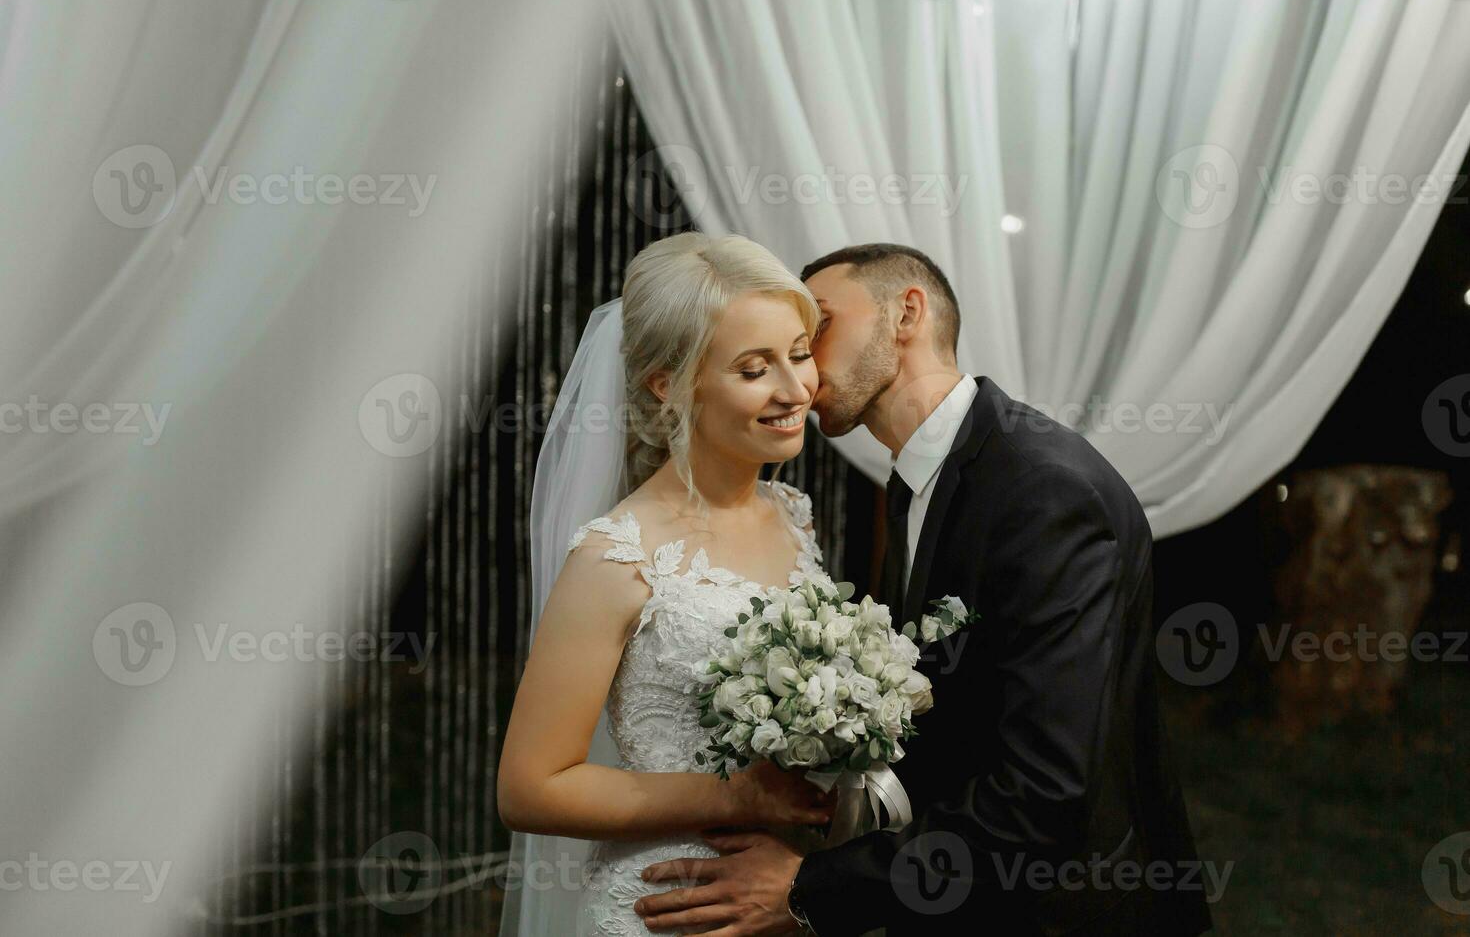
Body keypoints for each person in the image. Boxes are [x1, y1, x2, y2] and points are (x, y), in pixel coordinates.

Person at [633, 243, 1212, 936]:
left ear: (907, 313)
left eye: (816, 329)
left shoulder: (1041, 489)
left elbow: (1044, 792)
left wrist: (813, 888)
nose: (804, 368)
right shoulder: (917, 486)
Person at [496, 232, 838, 936]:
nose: (795, 389)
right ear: (669, 384)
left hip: (780, 901)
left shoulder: (793, 514)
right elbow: (531, 788)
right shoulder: (617, 555)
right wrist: (738, 799)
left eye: (800, 355)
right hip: (665, 910)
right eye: (754, 369)